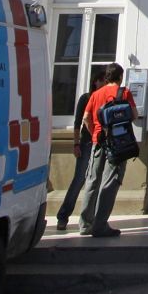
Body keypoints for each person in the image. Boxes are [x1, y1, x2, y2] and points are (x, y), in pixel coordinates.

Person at [79, 63, 137, 237]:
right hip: (118, 143)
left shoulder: (96, 94)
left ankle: (85, 223)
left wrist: (94, 134)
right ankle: (100, 224)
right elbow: (134, 115)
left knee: (92, 180)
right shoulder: (124, 93)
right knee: (110, 182)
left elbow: (86, 117)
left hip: (98, 141)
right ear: (120, 77)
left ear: (106, 78)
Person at [54, 74, 104, 232]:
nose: (104, 84)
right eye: (102, 80)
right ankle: (63, 216)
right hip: (86, 143)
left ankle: (91, 218)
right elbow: (78, 122)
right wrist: (76, 143)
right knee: (79, 180)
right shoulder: (86, 98)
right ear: (95, 81)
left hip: (100, 143)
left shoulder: (105, 98)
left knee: (97, 181)